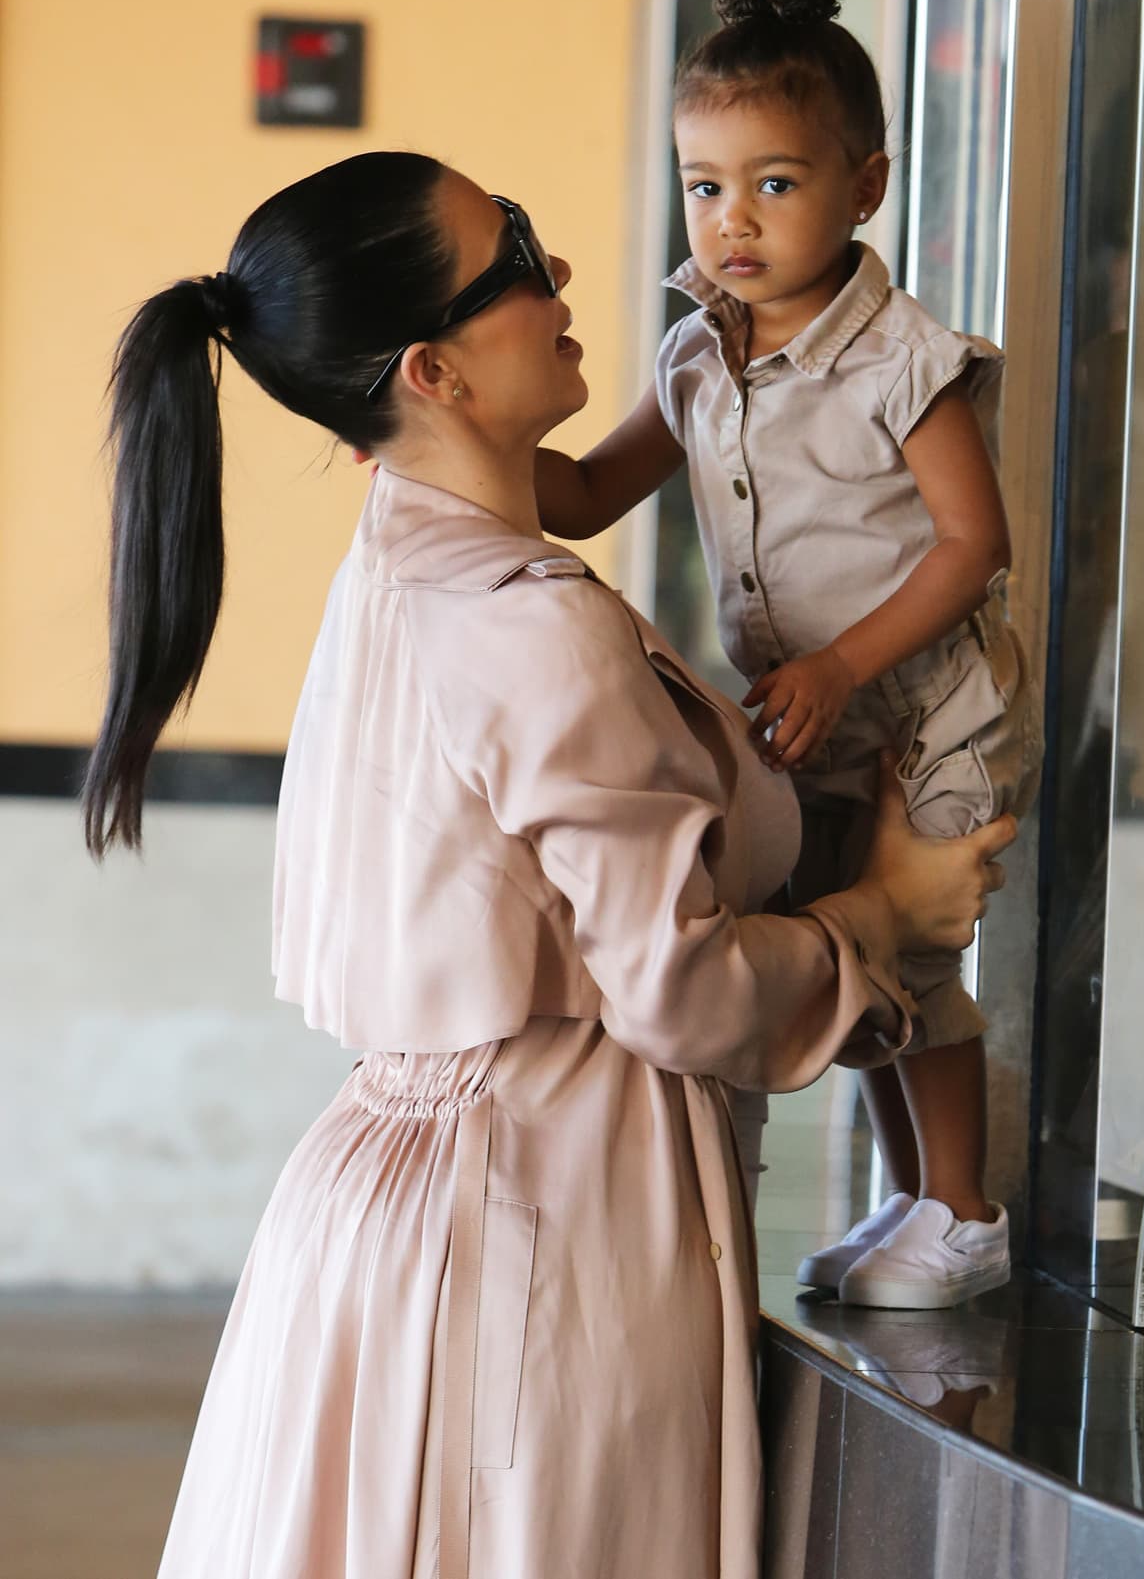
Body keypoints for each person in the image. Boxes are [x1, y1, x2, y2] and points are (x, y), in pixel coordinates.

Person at [83, 149, 1015, 1578]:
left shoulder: (401, 565)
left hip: (403, 1211)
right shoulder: (526, 620)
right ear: (433, 373)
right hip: (542, 1221)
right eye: (512, 253)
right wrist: (878, 914)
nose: (560, 273)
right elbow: (679, 986)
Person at [535, 0, 1043, 1310]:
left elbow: (971, 545)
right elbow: (586, 492)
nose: (733, 220)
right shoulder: (696, 352)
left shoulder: (901, 360)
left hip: (931, 699)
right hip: (810, 711)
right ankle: (912, 1204)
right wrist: (455, 448)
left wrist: (838, 664)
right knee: (852, 955)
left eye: (776, 181)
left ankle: (965, 1208)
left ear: (863, 186)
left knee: (918, 953)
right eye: (706, 185)